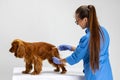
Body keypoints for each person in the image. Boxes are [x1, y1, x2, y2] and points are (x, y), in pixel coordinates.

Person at [52, 5, 113, 80]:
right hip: (107, 74)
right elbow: (89, 51)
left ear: (85, 20)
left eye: (77, 21)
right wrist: (71, 48)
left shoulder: (87, 38)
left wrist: (60, 61)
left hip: (94, 76)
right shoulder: (104, 31)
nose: (77, 24)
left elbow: (76, 57)